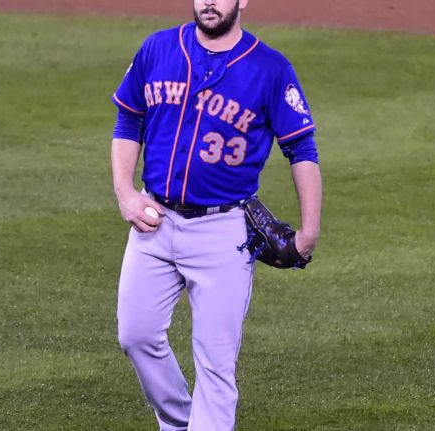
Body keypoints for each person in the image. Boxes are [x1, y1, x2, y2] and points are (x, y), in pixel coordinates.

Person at [110, 0, 322, 429]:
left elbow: (301, 148)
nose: (209, 1)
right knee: (136, 335)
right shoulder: (158, 48)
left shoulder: (271, 68)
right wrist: (125, 192)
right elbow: (129, 119)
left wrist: (309, 231)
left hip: (223, 233)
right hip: (154, 220)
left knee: (215, 363)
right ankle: (180, 421)